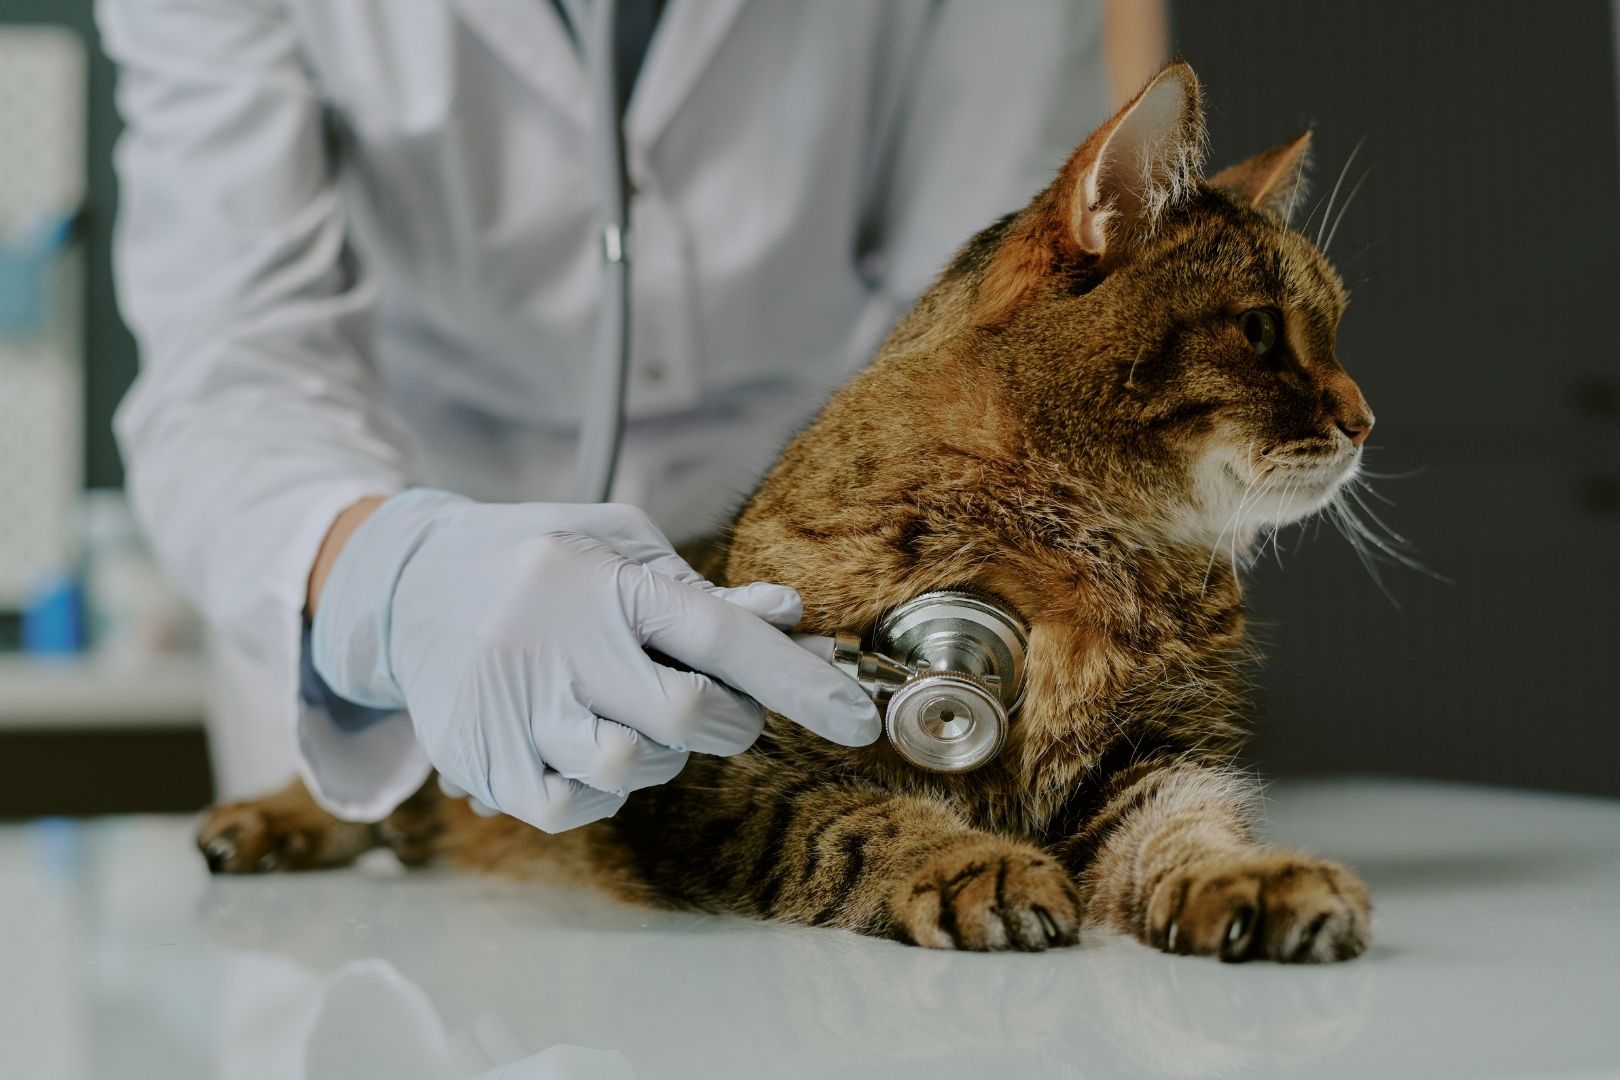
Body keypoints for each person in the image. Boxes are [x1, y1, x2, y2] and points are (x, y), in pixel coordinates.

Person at [99, 0, 1165, 833]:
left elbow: (1005, 310)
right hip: (424, 591)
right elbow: (230, 365)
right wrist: (398, 579)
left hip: (841, 559)